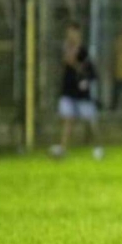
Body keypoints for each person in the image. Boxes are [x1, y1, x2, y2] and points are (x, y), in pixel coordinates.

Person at [50, 21, 103, 160]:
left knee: (90, 120)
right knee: (68, 119)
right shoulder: (66, 47)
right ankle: (62, 148)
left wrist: (85, 79)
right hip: (68, 90)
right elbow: (65, 63)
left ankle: (98, 147)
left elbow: (86, 69)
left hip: (82, 92)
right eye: (68, 32)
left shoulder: (83, 51)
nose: (70, 35)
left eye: (73, 32)